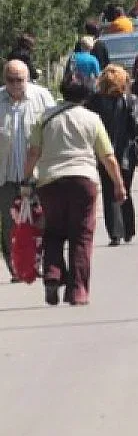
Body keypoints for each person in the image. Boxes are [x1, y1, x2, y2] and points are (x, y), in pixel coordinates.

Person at [22, 79, 127, 305]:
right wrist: (118, 184)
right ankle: (77, 291)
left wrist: (26, 178)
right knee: (81, 235)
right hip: (83, 180)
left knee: (53, 231)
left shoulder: (45, 118)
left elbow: (33, 152)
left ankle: (52, 274)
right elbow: (107, 156)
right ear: (86, 96)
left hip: (50, 181)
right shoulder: (92, 119)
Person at [0, 60, 55, 280]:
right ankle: (15, 267)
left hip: (36, 175)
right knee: (9, 224)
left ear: (28, 79)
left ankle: (37, 262)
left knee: (40, 220)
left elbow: (53, 128)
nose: (15, 84)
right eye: (10, 80)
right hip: (5, 176)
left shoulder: (41, 97)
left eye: (19, 80)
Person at [87, 66, 138, 246]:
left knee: (109, 191)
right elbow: (135, 128)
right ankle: (128, 229)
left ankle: (115, 233)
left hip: (103, 152)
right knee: (125, 188)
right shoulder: (130, 100)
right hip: (126, 153)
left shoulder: (94, 100)